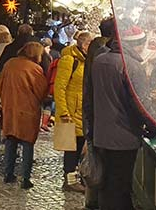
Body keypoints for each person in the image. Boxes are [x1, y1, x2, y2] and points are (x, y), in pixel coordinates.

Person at [90, 25, 156, 210]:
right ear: (138, 44)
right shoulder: (131, 66)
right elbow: (140, 103)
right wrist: (154, 127)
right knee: (120, 186)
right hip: (123, 136)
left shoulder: (100, 60)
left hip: (102, 134)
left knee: (107, 184)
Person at [0, 42, 49, 190]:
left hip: (10, 108)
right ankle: (25, 178)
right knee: (27, 143)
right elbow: (41, 91)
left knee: (10, 140)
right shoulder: (34, 69)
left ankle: (8, 174)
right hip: (28, 110)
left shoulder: (9, 64)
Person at [54, 30, 92, 192]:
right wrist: (63, 112)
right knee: (71, 149)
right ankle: (70, 181)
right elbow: (59, 87)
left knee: (80, 147)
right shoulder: (69, 60)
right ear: (84, 44)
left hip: (81, 112)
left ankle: (75, 178)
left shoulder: (85, 61)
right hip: (69, 113)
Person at [82, 20, 113, 210]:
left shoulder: (95, 50)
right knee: (100, 162)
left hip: (92, 111)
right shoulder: (103, 52)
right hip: (99, 114)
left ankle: (92, 199)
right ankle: (95, 200)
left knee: (96, 159)